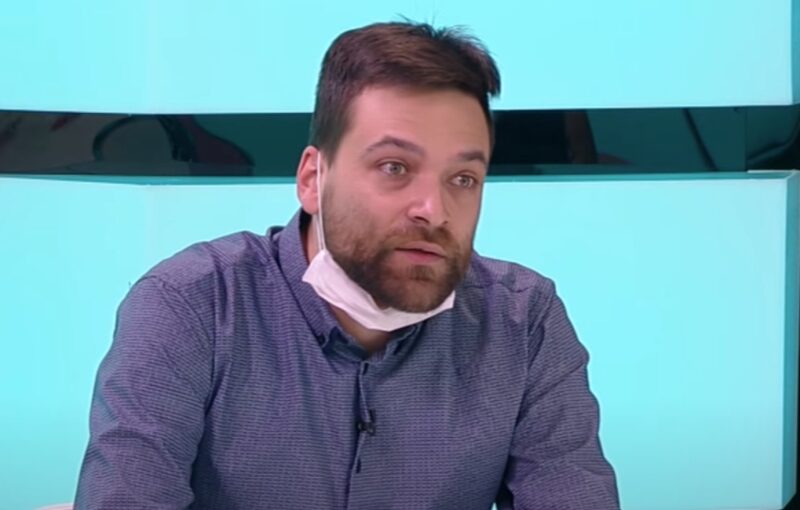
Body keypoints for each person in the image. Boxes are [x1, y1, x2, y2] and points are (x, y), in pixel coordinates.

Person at [75, 21, 619, 509]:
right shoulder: (191, 307)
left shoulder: (524, 322)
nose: (434, 210)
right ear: (313, 179)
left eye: (463, 179)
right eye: (394, 166)